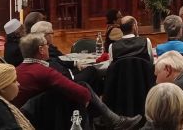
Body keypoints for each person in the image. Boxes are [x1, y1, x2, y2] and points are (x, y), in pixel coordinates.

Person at [12, 33, 141, 129]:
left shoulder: (16, 70)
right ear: (41, 50)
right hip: (40, 120)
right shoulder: (43, 71)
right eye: (47, 45)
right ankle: (114, 121)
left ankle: (109, 120)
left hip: (22, 117)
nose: (48, 47)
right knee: (81, 88)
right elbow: (82, 93)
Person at [30, 21, 100, 91]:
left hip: (66, 75)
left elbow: (59, 59)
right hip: (67, 82)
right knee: (91, 70)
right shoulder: (45, 52)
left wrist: (75, 63)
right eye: (52, 33)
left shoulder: (42, 48)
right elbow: (57, 70)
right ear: (45, 35)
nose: (53, 35)